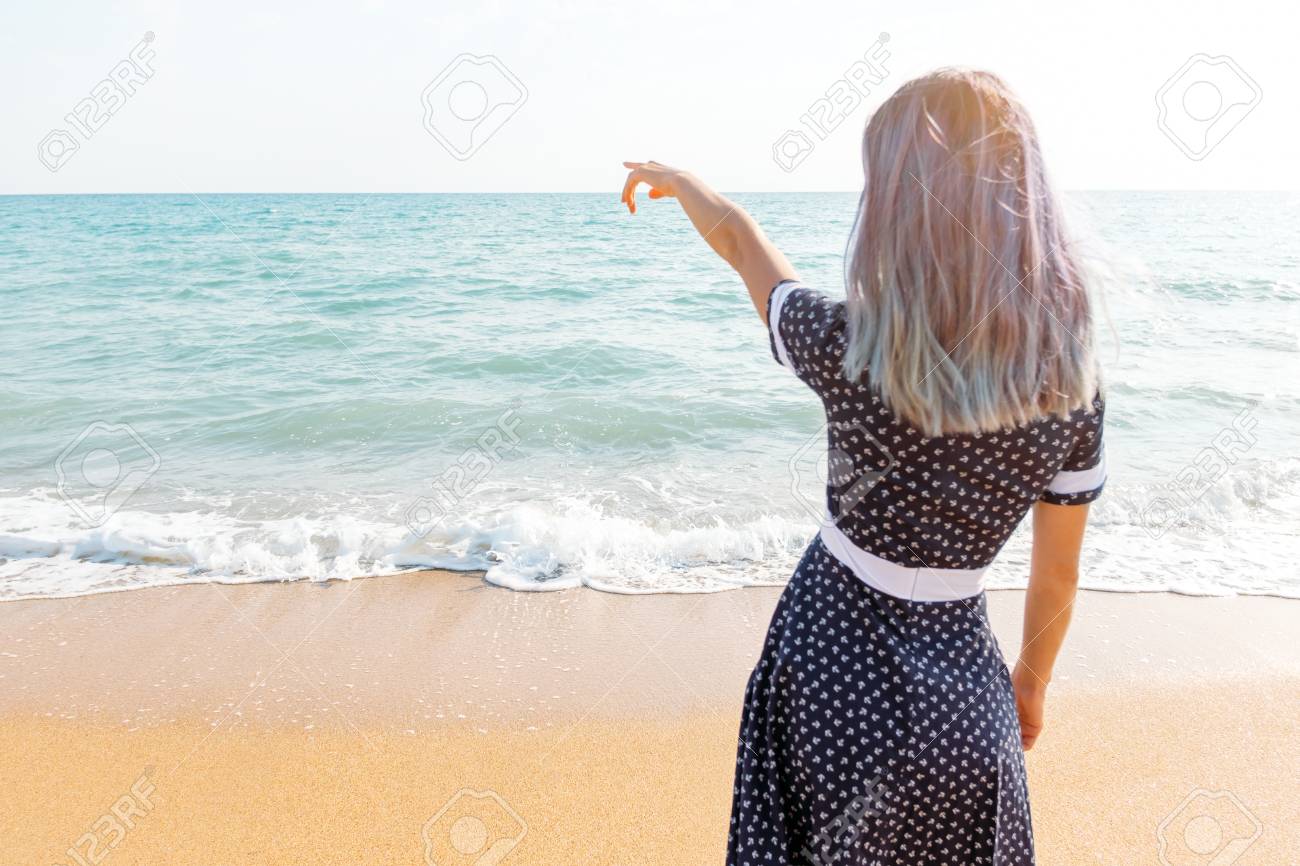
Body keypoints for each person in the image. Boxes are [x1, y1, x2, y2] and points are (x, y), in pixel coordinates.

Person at [620, 67, 1105, 865]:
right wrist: (1028, 685)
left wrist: (685, 184)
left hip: (827, 668)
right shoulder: (1069, 387)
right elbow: (1058, 576)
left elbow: (742, 245)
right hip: (964, 699)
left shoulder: (848, 346)